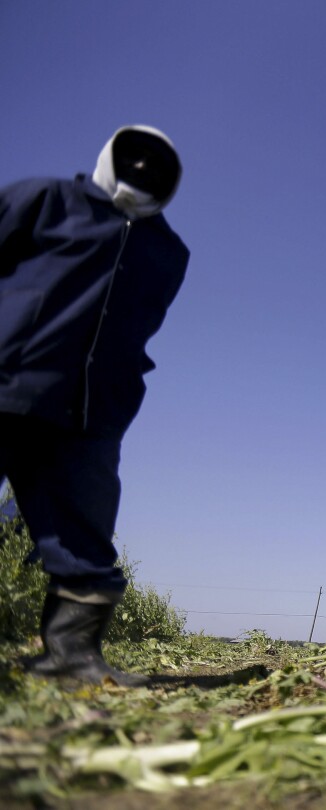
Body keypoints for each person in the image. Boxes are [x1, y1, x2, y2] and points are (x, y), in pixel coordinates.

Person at [2, 126, 188, 687]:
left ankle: (70, 657)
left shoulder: (168, 251)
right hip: (8, 378)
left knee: (85, 534)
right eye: (130, 155)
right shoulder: (45, 198)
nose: (140, 168)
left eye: (155, 164)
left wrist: (123, 387)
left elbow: (137, 328)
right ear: (109, 155)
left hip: (90, 413)